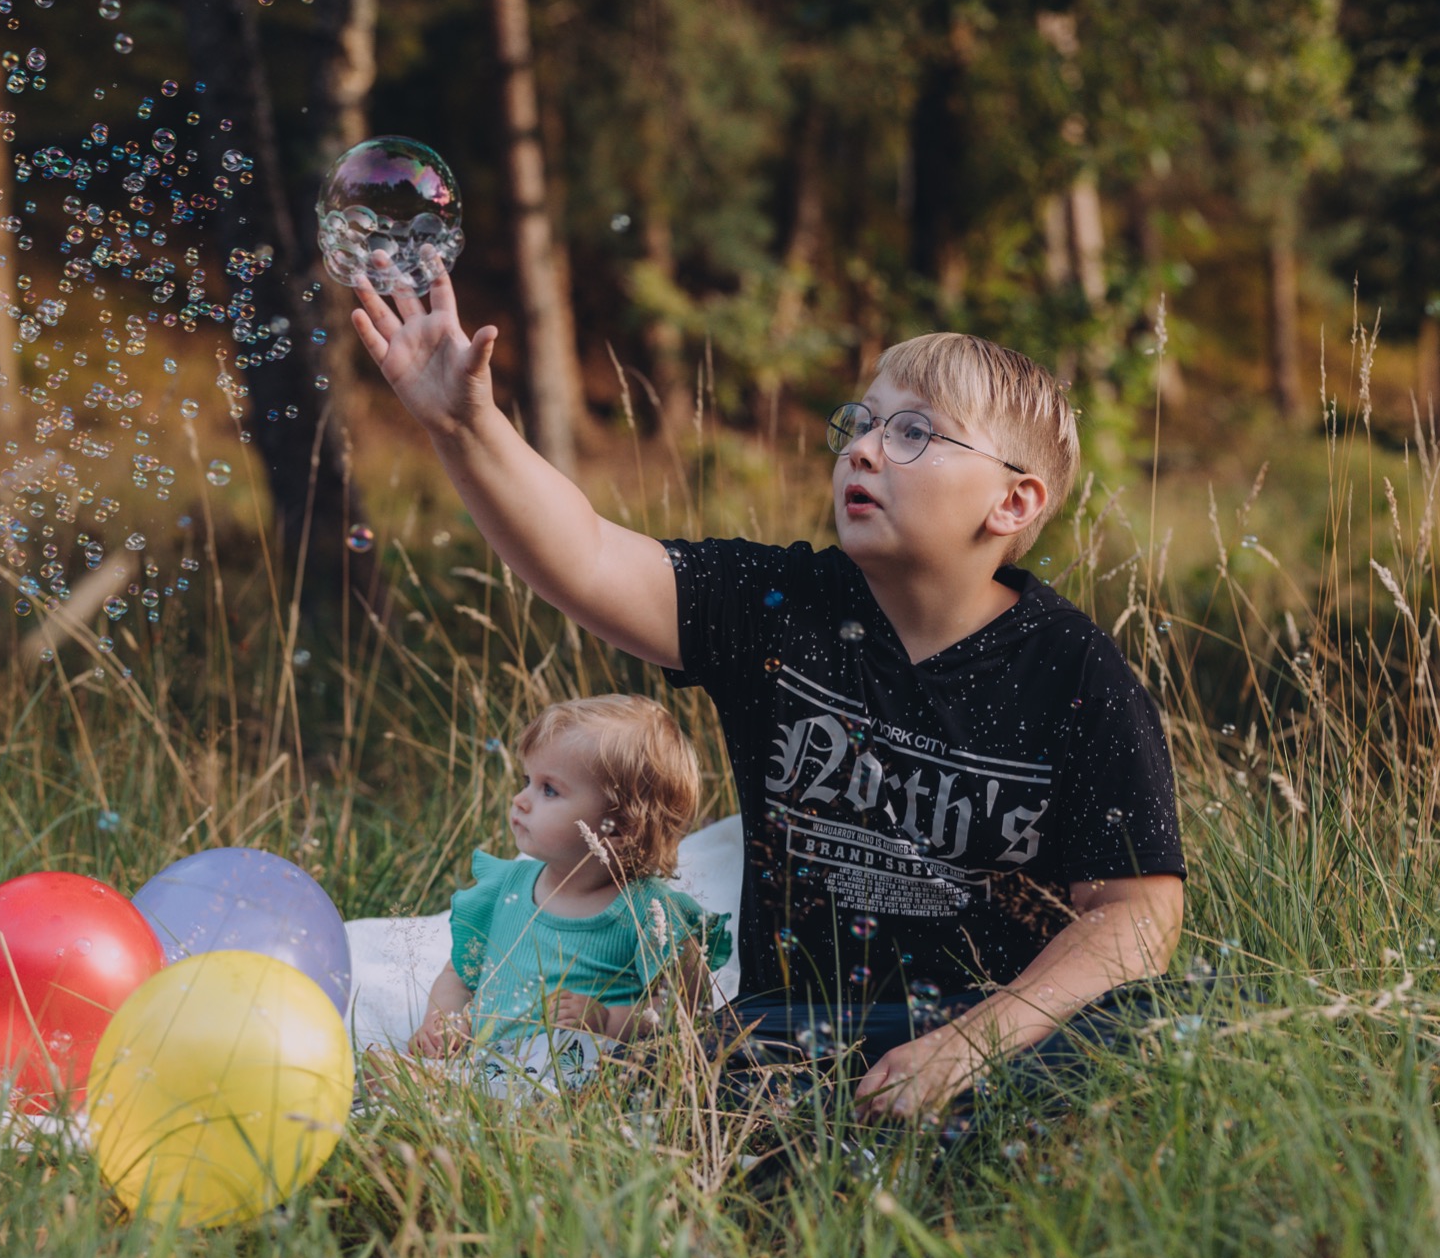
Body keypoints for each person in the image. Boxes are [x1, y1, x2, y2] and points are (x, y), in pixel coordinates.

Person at [353, 256, 1185, 1125]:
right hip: (792, 1033)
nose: (862, 447)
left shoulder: (1074, 671)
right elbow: (589, 557)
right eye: (860, 423)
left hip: (999, 1032)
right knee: (689, 1094)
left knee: (1153, 1045)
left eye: (913, 433)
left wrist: (967, 1044)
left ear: (1012, 503)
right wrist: (464, 424)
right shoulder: (782, 608)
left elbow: (1136, 912)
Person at [404, 695, 730, 1098]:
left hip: (574, 1075)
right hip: (487, 1064)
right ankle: (455, 1095)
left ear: (620, 825)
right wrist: (445, 1021)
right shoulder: (505, 888)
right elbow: (458, 976)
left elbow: (689, 1011)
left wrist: (610, 1021)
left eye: (549, 790)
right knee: (382, 1072)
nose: (520, 800)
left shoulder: (648, 912)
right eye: (527, 782)